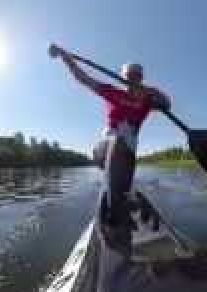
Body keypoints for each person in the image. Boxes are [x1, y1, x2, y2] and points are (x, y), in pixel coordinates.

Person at [49, 44, 170, 229]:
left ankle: (125, 202)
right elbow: (83, 78)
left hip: (128, 149)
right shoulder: (113, 92)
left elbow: (166, 104)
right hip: (106, 145)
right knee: (116, 141)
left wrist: (153, 92)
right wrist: (65, 56)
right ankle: (117, 203)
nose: (133, 78)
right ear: (123, 78)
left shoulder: (147, 101)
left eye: (137, 75)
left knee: (122, 174)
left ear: (141, 78)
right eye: (129, 75)